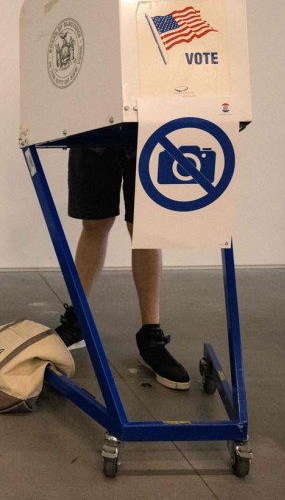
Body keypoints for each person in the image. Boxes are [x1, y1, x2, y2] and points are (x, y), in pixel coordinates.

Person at [54, 146, 191, 390]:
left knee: (144, 229)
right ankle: (78, 320)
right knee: (94, 223)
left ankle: (151, 335)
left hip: (146, 134)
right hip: (93, 134)